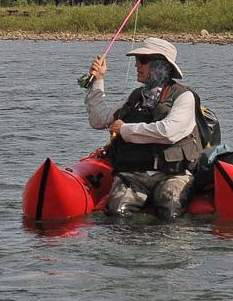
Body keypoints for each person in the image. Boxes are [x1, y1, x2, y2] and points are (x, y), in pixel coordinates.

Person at [85, 37, 202, 220]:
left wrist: (125, 130)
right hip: (133, 175)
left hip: (173, 175)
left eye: (143, 61)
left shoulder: (184, 97)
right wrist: (98, 81)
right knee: (116, 213)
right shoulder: (134, 97)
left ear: (161, 66)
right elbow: (99, 120)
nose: (136, 66)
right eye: (137, 60)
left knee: (169, 211)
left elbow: (168, 132)